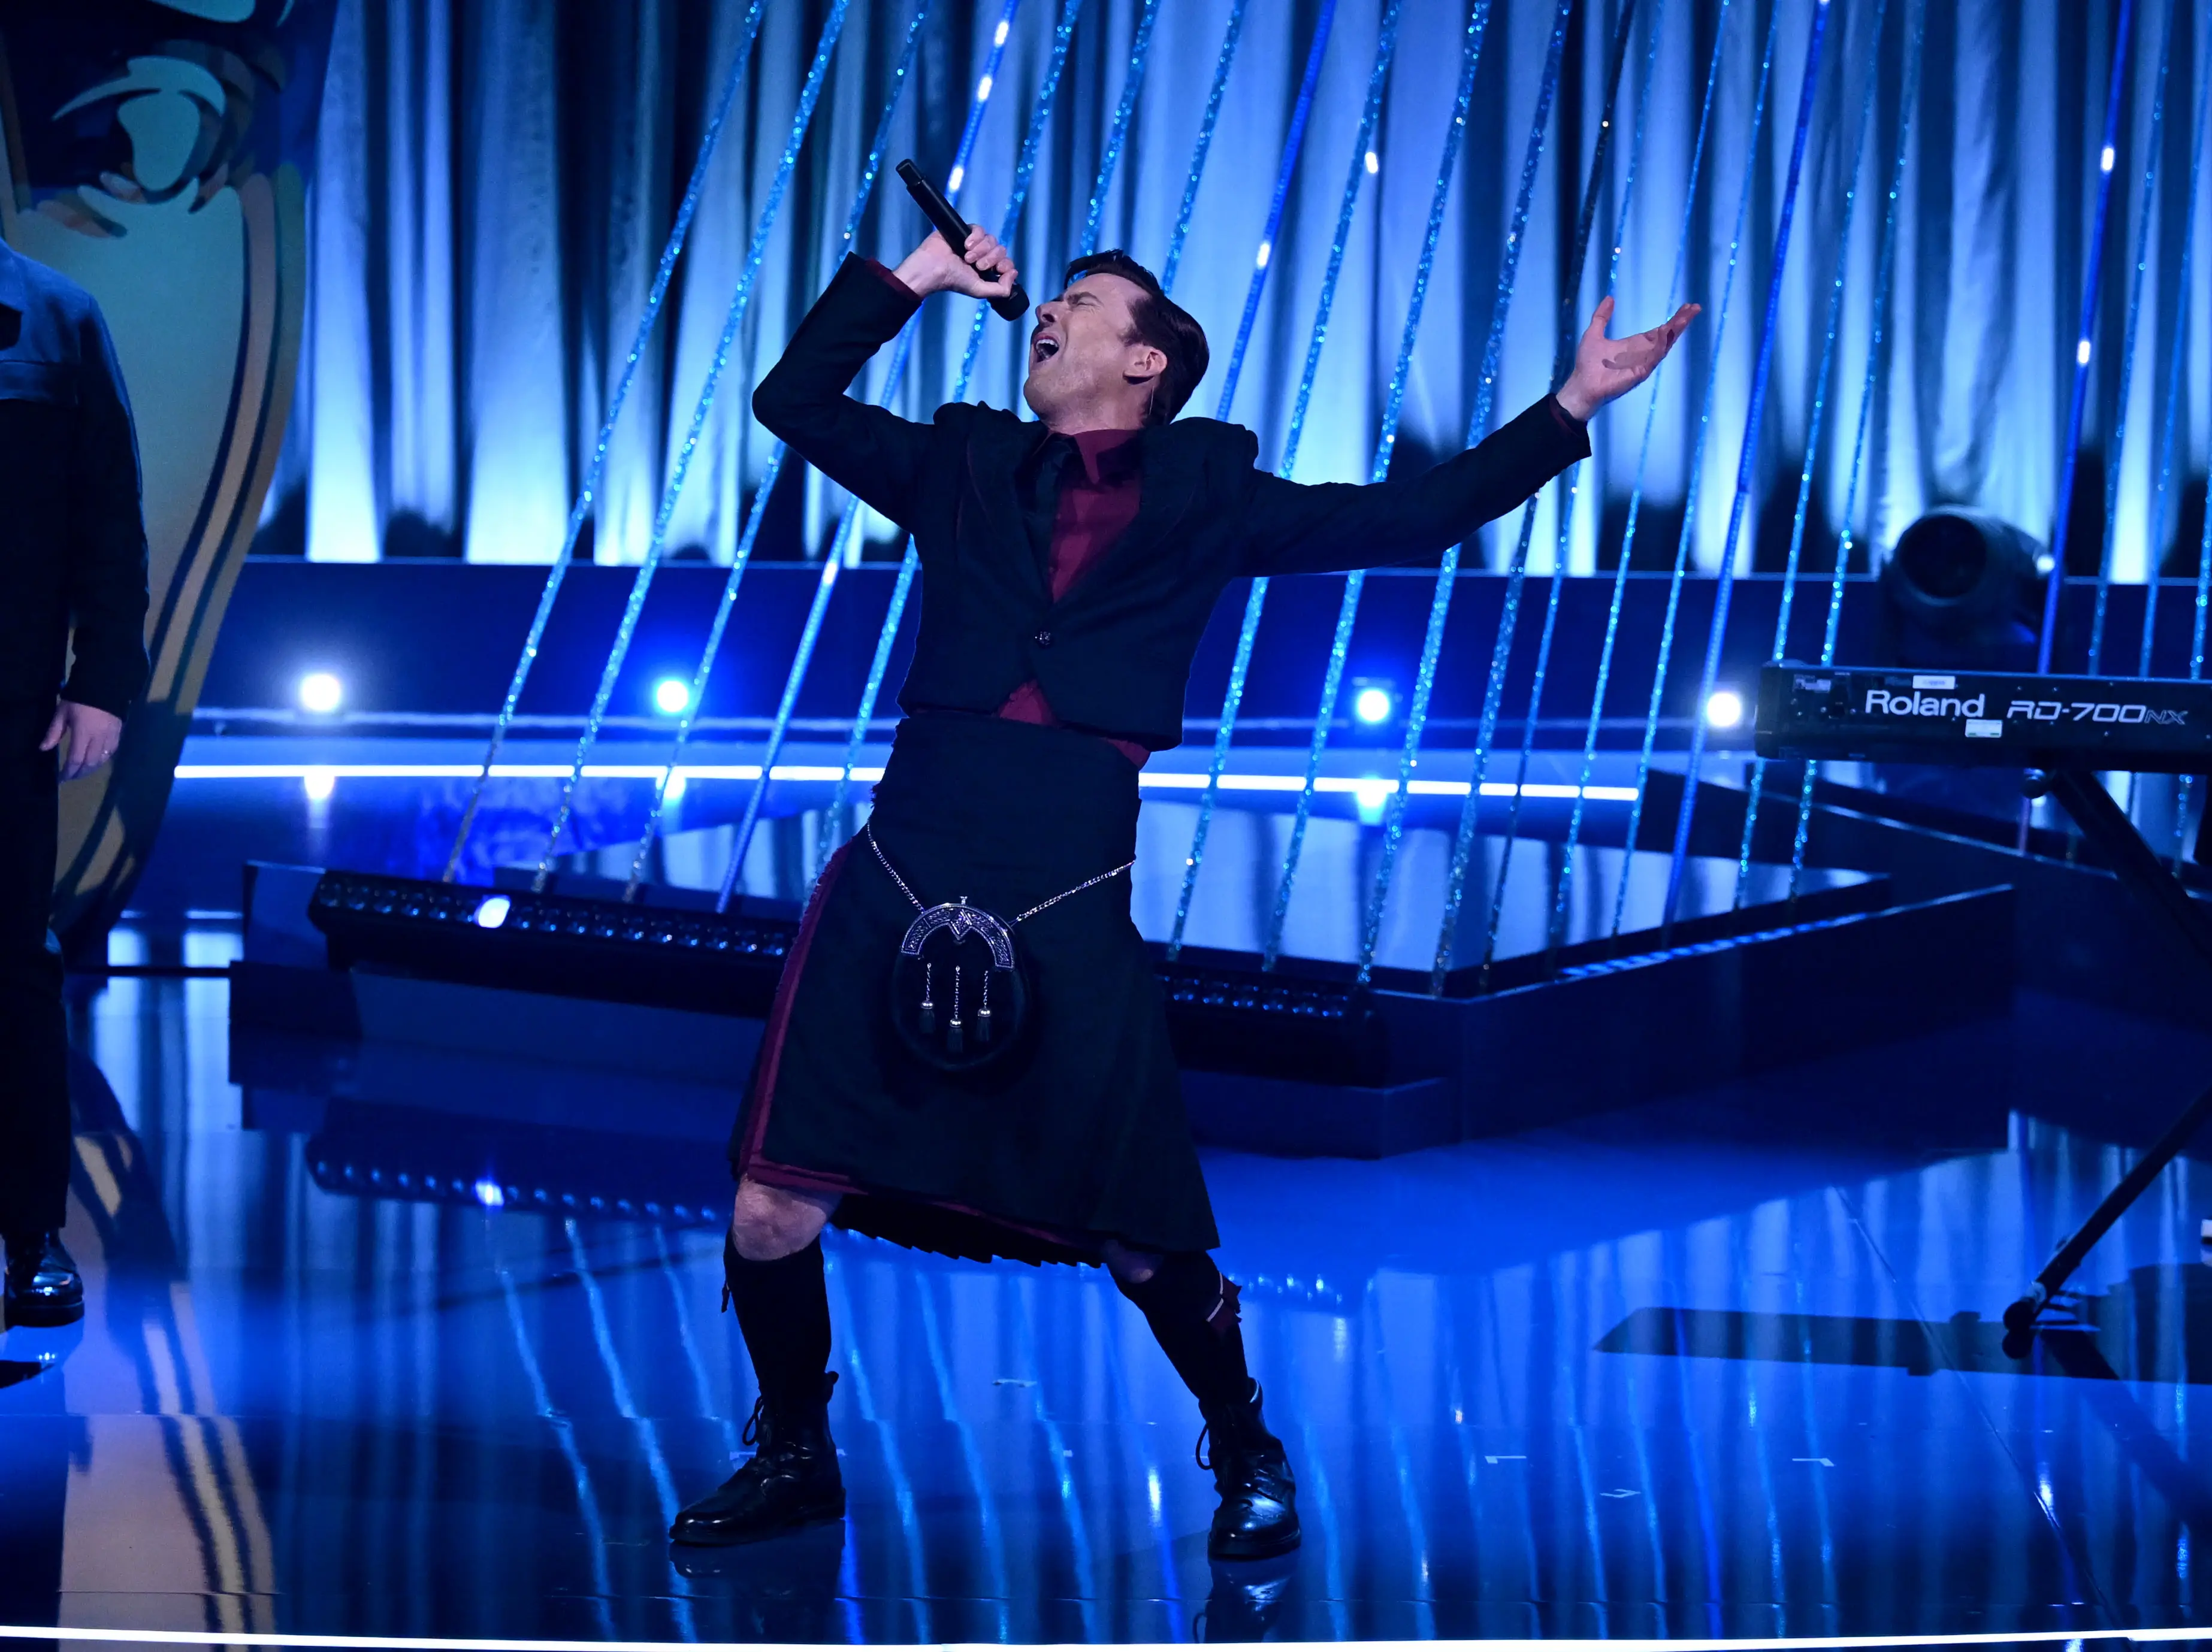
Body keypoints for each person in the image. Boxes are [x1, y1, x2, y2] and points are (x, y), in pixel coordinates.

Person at [671, 225, 1694, 1554]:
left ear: (1145, 360)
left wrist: (1571, 405)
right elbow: (793, 401)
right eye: (1052, 297)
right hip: (903, 859)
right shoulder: (962, 462)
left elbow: (1417, 516)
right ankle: (796, 1453)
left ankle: (1247, 1447)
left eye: (1081, 301)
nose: (1048, 309)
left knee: (1142, 1237)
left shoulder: (1208, 495)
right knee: (771, 1202)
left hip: (1066, 879)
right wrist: (915, 276)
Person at [0, 238, 150, 1329]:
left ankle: (28, 1233)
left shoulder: (56, 317)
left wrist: (102, 681)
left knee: (12, 969)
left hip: (8, 708)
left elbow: (109, 517)